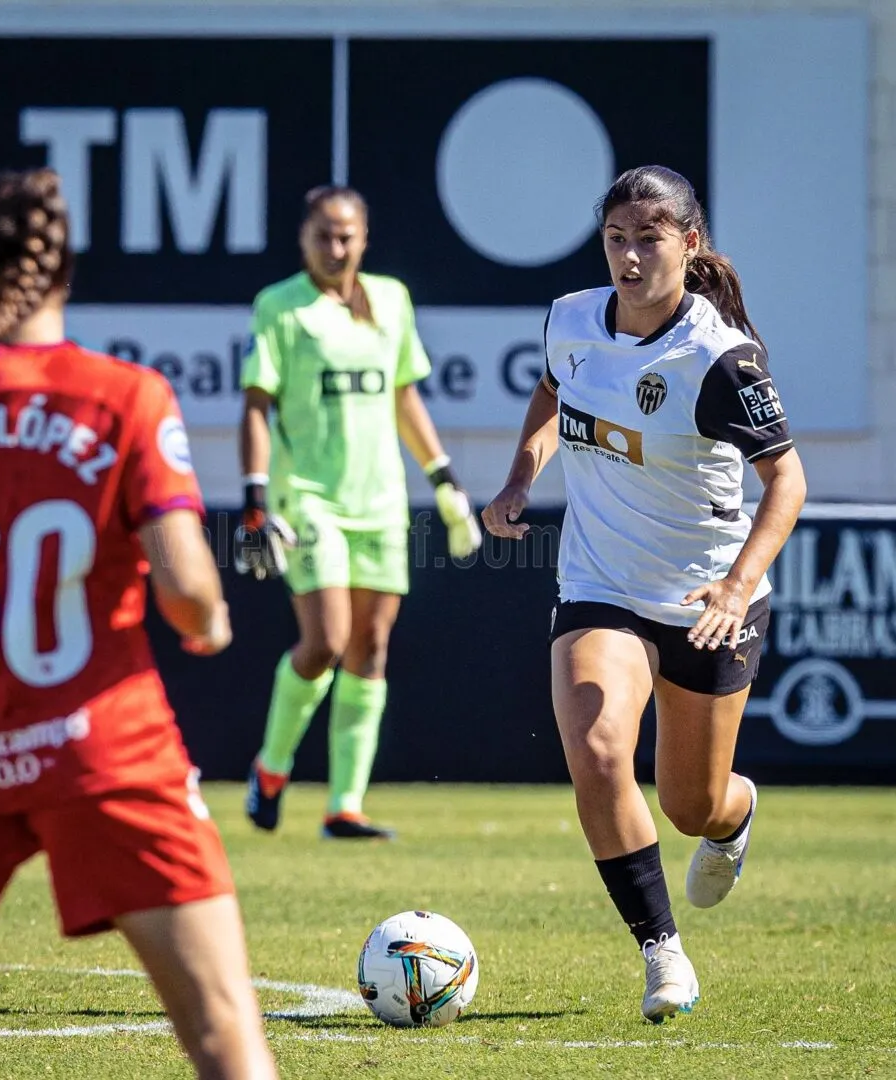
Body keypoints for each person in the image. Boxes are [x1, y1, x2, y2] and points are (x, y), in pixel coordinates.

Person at [0, 168, 277, 1080]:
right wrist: (209, 620)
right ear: (62, 275)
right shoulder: (126, 397)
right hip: (101, 750)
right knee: (224, 1034)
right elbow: (186, 586)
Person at [482, 165, 807, 1023]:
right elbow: (552, 392)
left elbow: (789, 484)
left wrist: (739, 585)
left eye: (649, 240)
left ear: (688, 245)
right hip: (600, 582)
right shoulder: (571, 319)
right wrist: (520, 479)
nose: (630, 257)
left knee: (690, 804)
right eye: (617, 239)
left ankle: (734, 818)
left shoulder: (720, 359)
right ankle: (662, 953)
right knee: (594, 747)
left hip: (706, 601)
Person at [236, 185, 481, 840]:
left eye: (346, 235)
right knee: (326, 641)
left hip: (381, 500)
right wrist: (255, 497)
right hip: (309, 500)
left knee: (371, 647)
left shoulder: (391, 300)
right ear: (304, 238)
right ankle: (272, 764)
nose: (335, 246)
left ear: (364, 239)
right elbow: (256, 403)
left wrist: (445, 480)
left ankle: (344, 805)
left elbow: (404, 395)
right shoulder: (279, 307)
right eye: (323, 234)